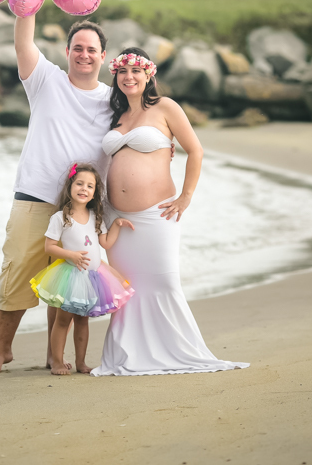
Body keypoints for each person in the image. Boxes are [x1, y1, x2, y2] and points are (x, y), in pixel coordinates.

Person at [91, 47, 250, 377]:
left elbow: (195, 150)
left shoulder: (164, 107)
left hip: (156, 214)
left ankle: (177, 352)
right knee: (127, 288)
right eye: (123, 71)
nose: (129, 77)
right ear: (115, 76)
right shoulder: (115, 116)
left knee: (163, 282)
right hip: (116, 216)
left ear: (149, 75)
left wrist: (185, 196)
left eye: (136, 71)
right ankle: (126, 355)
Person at [0, 16, 114, 374]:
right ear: (67, 51)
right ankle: (2, 349)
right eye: (78, 49)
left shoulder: (113, 101)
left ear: (103, 56)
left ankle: (54, 356)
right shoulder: (46, 79)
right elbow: (24, 43)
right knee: (18, 271)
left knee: (68, 280)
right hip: (35, 195)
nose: (84, 55)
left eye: (92, 50)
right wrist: (28, 2)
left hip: (84, 205)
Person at [30, 162, 134, 375]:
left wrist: (116, 225)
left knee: (82, 322)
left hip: (93, 278)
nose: (84, 189)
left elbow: (105, 244)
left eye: (90, 186)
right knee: (62, 321)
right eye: (79, 184)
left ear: (95, 193)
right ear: (70, 186)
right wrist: (71, 255)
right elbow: (49, 247)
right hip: (71, 276)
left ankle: (81, 362)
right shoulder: (61, 217)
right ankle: (57, 361)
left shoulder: (96, 217)